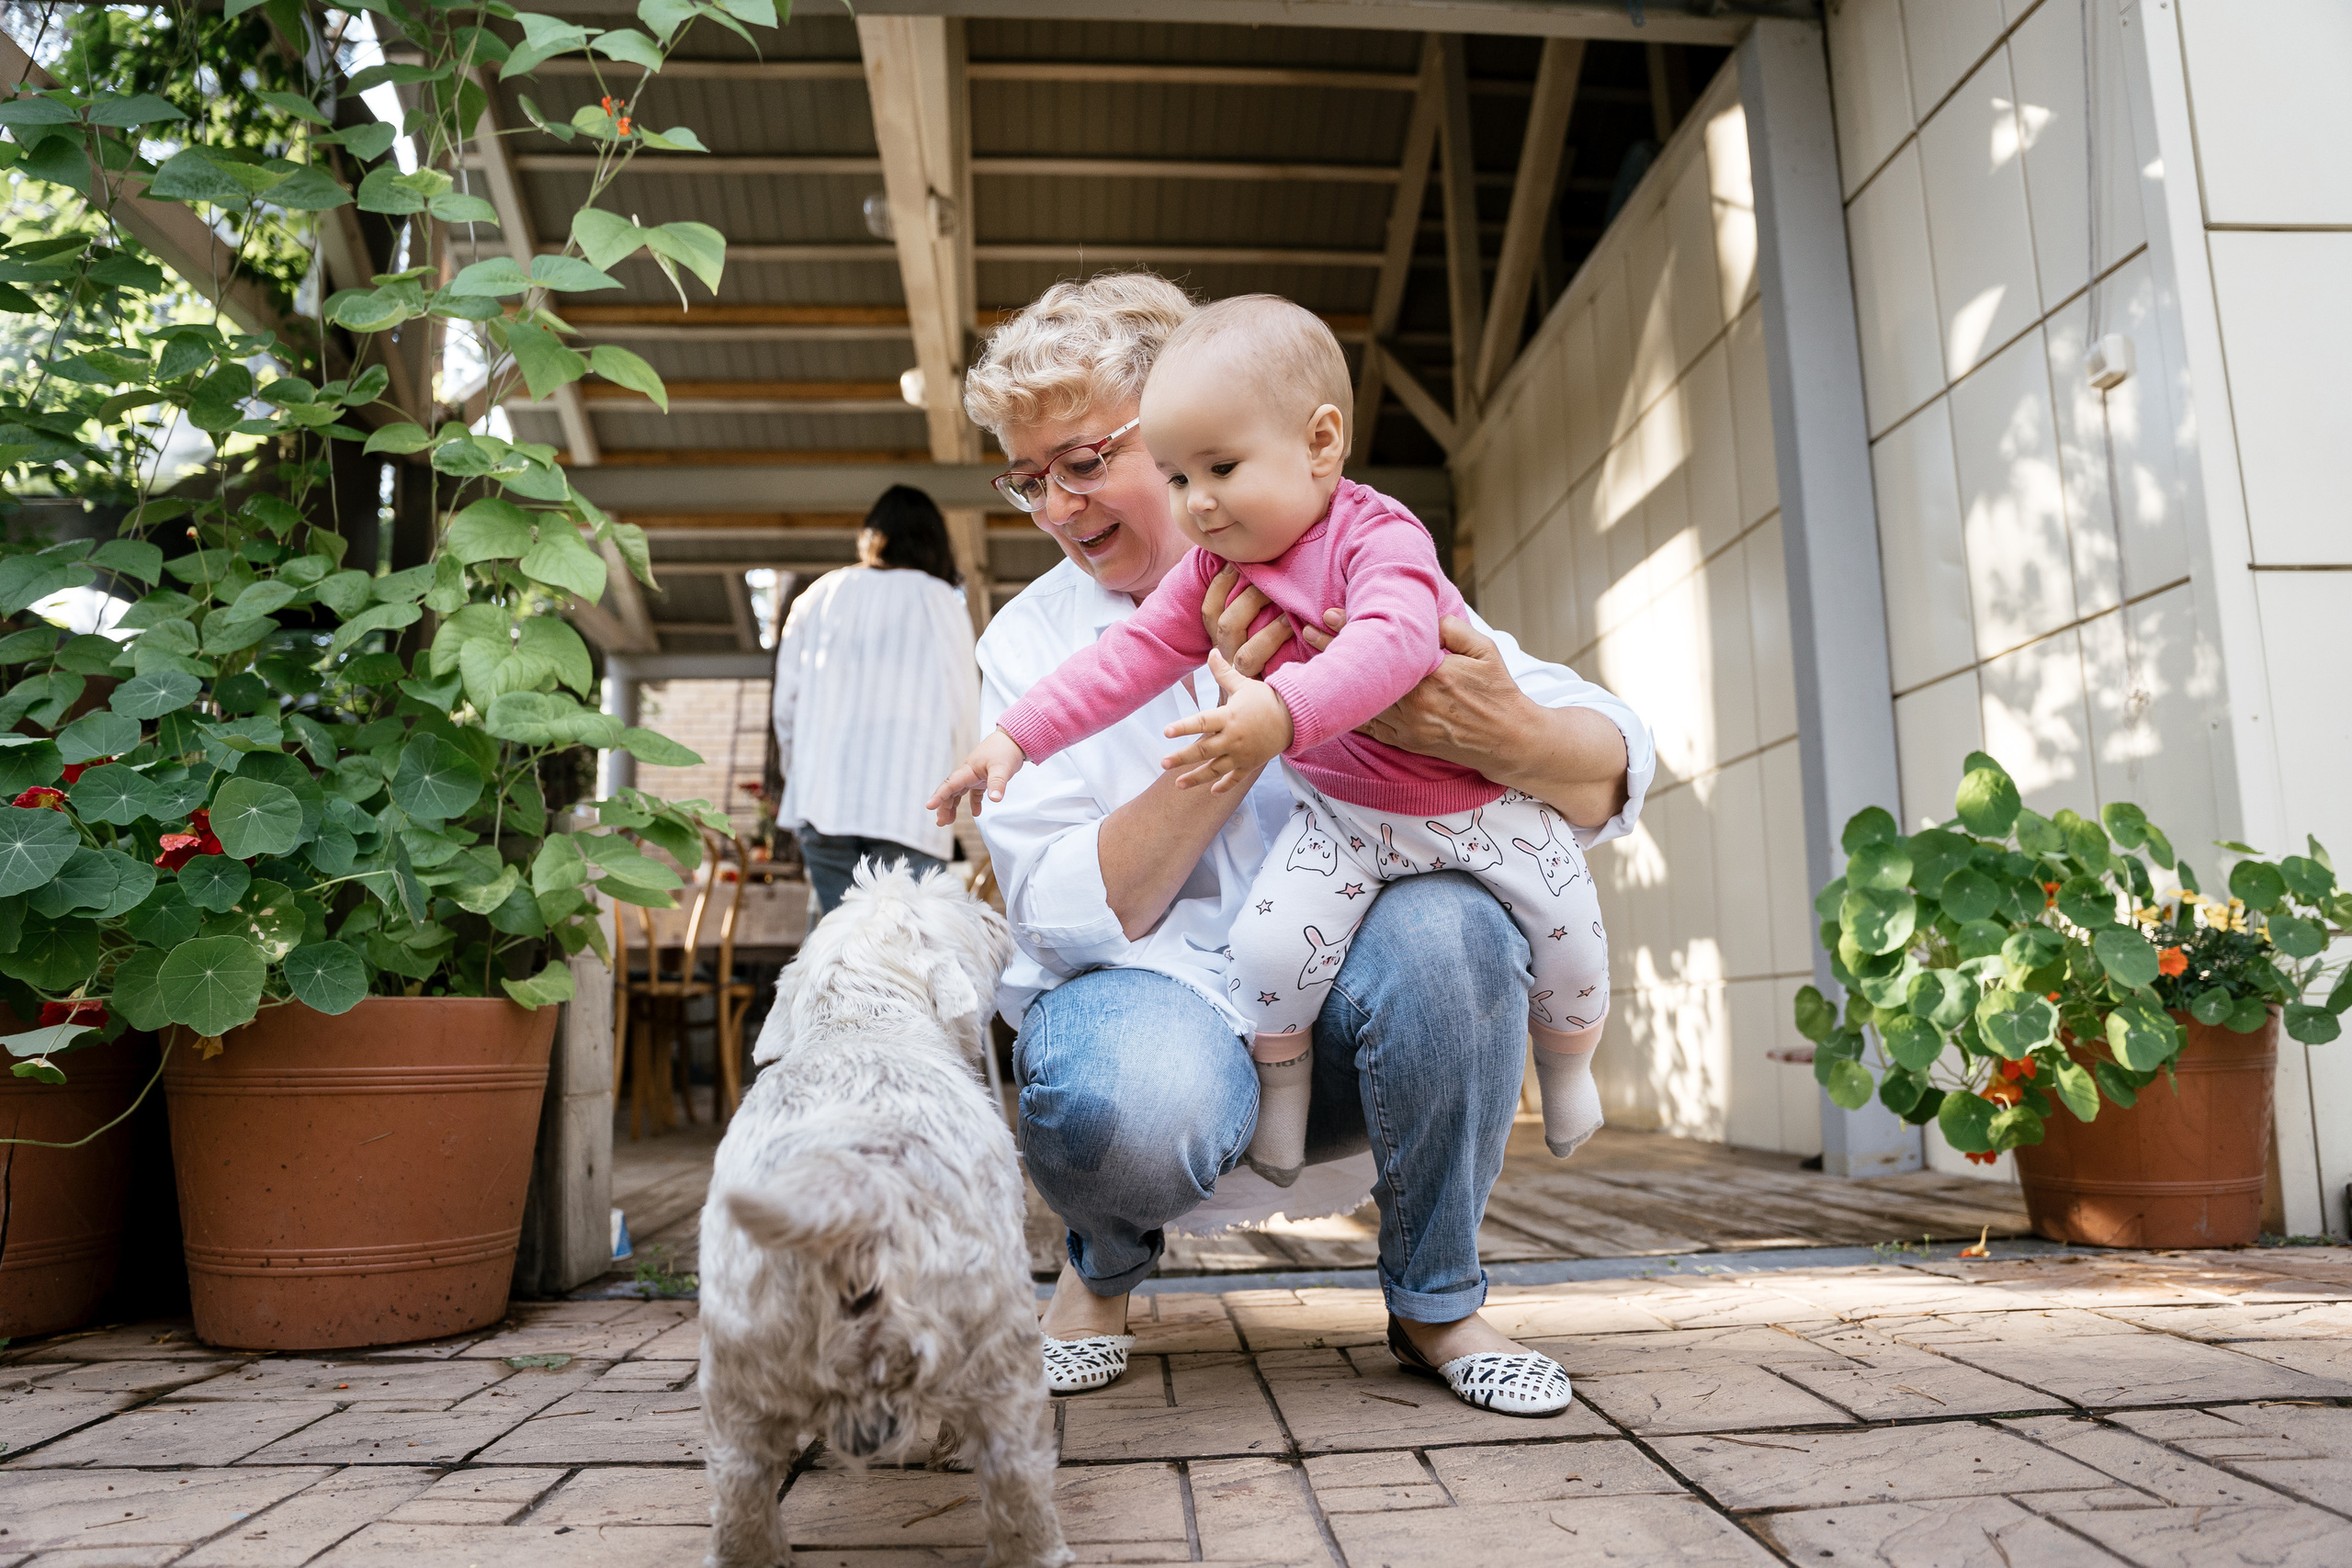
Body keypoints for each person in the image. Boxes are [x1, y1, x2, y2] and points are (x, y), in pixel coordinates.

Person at [958, 273, 1656, 1419]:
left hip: (1348, 1024)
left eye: (1087, 461)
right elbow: (1058, 912)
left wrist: (1509, 731)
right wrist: (1232, 742)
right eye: (1029, 479)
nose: (1057, 507)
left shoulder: (1351, 557)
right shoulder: (1029, 636)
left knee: (1459, 929)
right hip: (1153, 1010)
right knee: (1108, 1101)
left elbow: (1610, 761)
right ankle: (1103, 1267)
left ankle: (1437, 1296)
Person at [771, 485, 977, 916]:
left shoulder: (820, 595)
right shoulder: (939, 598)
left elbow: (785, 706)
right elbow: (963, 703)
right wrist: (958, 786)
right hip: (909, 804)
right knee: (902, 955)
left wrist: (799, 776)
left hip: (822, 799)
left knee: (836, 950)